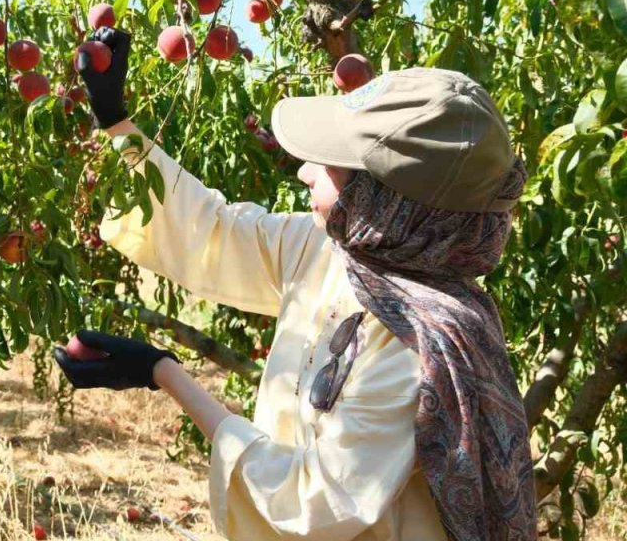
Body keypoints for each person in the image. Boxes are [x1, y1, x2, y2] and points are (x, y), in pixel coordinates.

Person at [56, 28, 537, 540]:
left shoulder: (419, 349)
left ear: (383, 202)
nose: (306, 171)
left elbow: (310, 505)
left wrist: (163, 373)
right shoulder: (336, 252)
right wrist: (115, 121)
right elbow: (211, 231)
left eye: (332, 163)